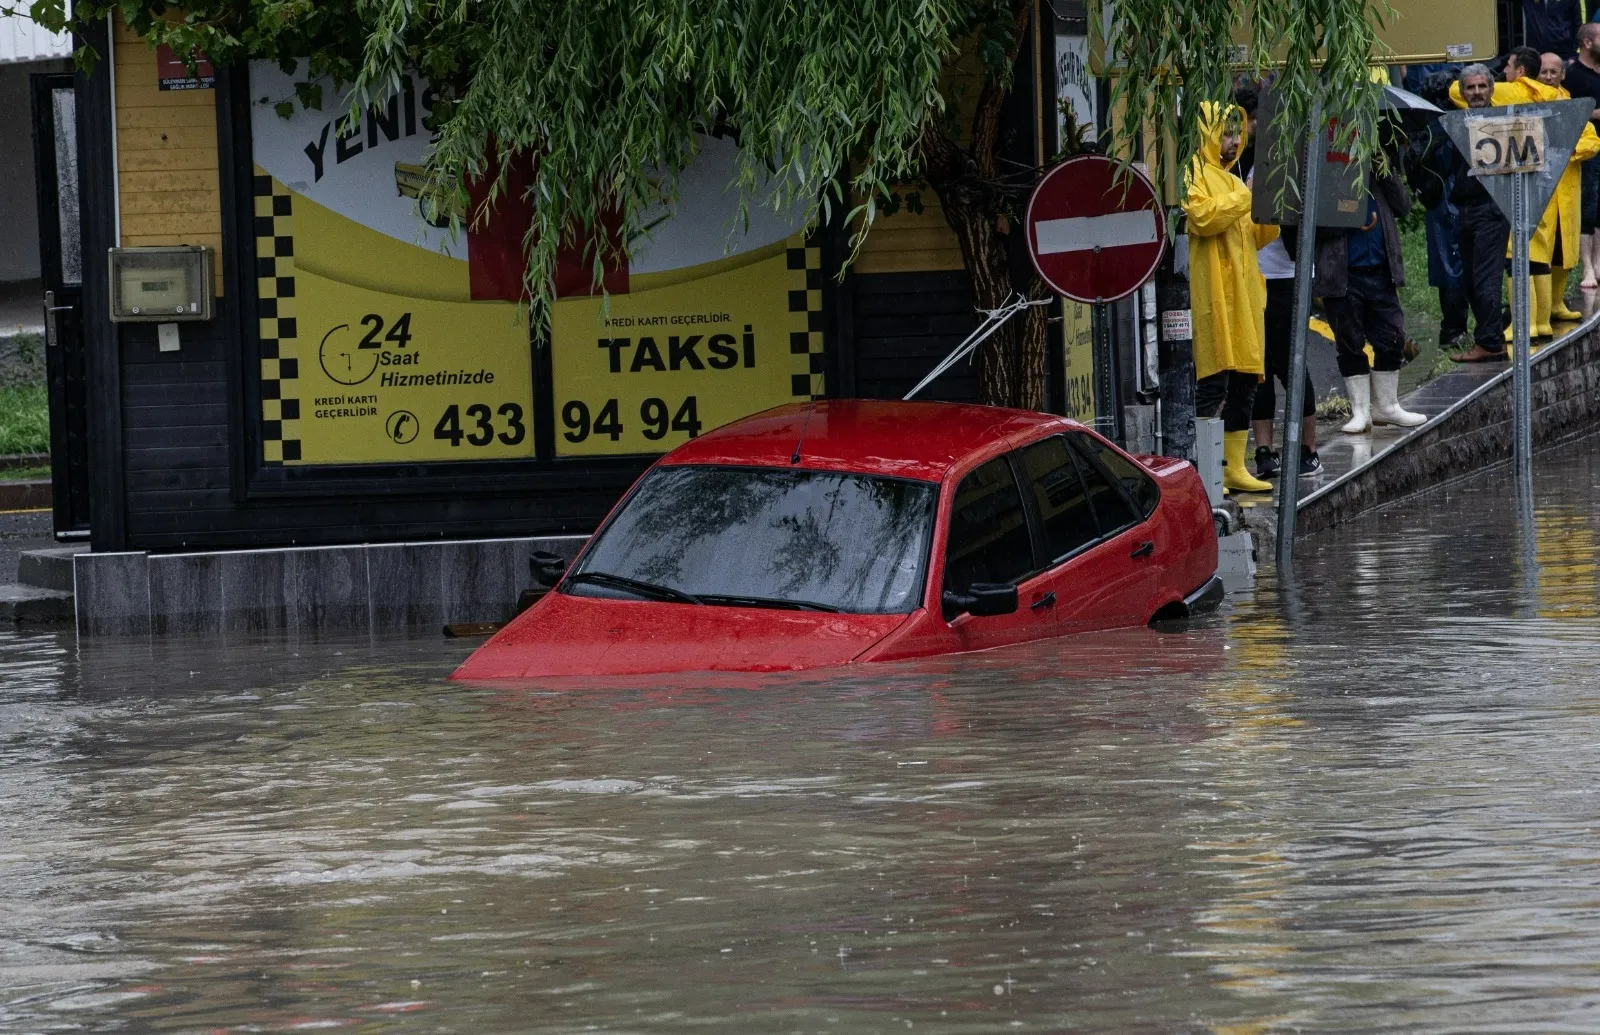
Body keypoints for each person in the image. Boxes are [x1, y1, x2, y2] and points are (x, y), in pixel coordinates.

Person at [1288, 123, 1425, 432]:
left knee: (1392, 336)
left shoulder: (1377, 171)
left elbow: (1403, 206)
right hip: (1342, 274)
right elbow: (1309, 227)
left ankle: (1387, 405)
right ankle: (1360, 410)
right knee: (1349, 342)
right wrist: (1349, 221)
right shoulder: (1323, 174)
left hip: (1381, 270)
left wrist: (1384, 167)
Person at [1183, 101, 1273, 493]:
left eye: (1237, 134)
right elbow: (1203, 218)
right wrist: (1248, 197)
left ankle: (1235, 466)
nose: (1234, 141)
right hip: (1216, 297)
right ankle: (1208, 469)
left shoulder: (1236, 180)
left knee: (1245, 382)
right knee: (1213, 382)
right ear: (1207, 134)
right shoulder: (1193, 174)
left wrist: (1271, 206)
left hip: (1245, 298)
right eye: (1226, 133)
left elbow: (1257, 235)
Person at [1446, 65, 1512, 363]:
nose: (1476, 93)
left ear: (1492, 89)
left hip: (1492, 210)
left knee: (1486, 278)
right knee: (1472, 280)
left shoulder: (1505, 122)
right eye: (1470, 88)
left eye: (1482, 86)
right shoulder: (1457, 122)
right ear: (1462, 92)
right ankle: (1492, 335)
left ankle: (1489, 343)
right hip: (1465, 210)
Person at [1406, 67, 1470, 347]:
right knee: (1461, 265)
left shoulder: (1427, 128)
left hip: (1439, 205)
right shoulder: (1453, 124)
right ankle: (1456, 329)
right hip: (1453, 201)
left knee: (1449, 267)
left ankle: (1453, 328)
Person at [1249, 233, 1321, 478]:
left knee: (1291, 363)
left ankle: (1308, 449)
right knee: (1257, 365)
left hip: (1289, 276)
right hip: (1249, 274)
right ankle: (1264, 449)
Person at [1557, 22, 1600, 288]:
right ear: (1587, 42)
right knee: (1588, 206)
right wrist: (1594, 113)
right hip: (1586, 150)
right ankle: (1587, 267)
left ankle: (1598, 262)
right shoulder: (1573, 75)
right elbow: (1566, 111)